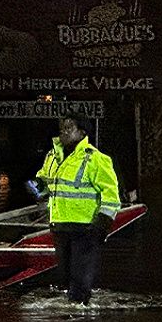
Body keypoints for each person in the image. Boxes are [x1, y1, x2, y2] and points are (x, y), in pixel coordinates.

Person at [32, 111, 122, 304]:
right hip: (60, 225)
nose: (64, 133)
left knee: (80, 279)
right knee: (65, 278)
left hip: (85, 228)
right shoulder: (52, 156)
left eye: (69, 128)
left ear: (82, 133)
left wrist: (102, 225)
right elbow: (43, 184)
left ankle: (80, 319)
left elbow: (111, 197)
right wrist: (36, 188)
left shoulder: (96, 159)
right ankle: (73, 315)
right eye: (62, 128)